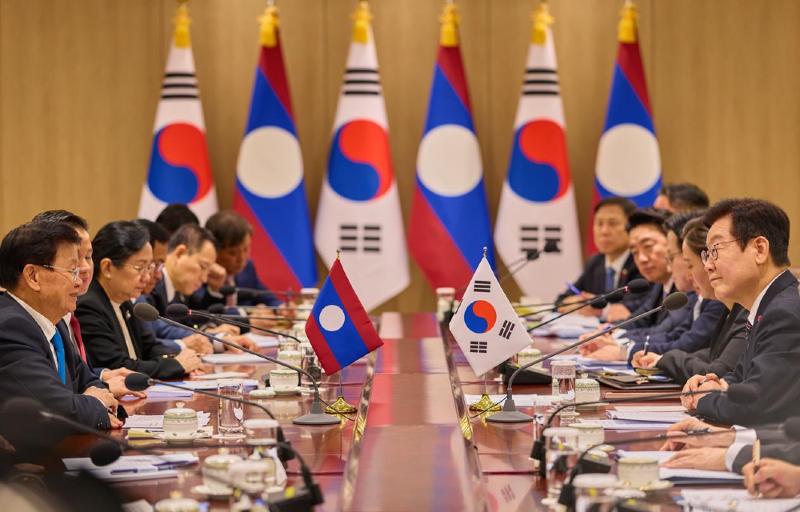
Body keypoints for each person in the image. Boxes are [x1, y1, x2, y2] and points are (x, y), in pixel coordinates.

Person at [681, 198, 800, 425]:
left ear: (760, 249)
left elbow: (755, 406)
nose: (707, 265)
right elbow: (742, 378)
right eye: (707, 254)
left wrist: (702, 399)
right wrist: (716, 384)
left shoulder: (784, 313)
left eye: (715, 250)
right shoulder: (767, 306)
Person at [0, 222, 119, 433]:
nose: (79, 281)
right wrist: (96, 404)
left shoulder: (54, 323)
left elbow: (91, 381)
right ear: (33, 276)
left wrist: (92, 399)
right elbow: (58, 411)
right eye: (72, 270)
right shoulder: (10, 328)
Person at [32, 210, 145, 399]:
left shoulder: (66, 312)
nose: (84, 268)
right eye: (74, 261)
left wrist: (102, 375)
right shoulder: (41, 317)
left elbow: (77, 374)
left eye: (88, 257)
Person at [76, 221, 204, 378]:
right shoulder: (89, 306)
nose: (147, 276)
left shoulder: (125, 301)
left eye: (149, 267)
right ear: (107, 268)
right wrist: (176, 365)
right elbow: (119, 367)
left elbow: (149, 348)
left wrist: (185, 358)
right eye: (140, 267)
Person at [633, 217, 748, 383]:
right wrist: (662, 359)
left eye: (690, 265)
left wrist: (666, 359)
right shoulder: (733, 307)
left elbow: (716, 372)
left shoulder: (750, 308)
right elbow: (714, 353)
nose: (689, 274)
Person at [142, 223, 254, 352]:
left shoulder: (182, 291)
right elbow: (161, 330)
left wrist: (212, 332)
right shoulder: (149, 287)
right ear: (180, 253)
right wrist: (215, 338)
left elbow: (200, 318)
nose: (204, 278)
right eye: (202, 267)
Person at [556, 198, 643, 314]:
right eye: (599, 223)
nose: (604, 231)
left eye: (613, 223)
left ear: (631, 227)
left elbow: (636, 307)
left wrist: (599, 307)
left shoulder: (640, 262)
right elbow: (561, 300)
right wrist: (577, 302)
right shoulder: (595, 262)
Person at [194, 210, 282, 310]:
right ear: (214, 250)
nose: (242, 258)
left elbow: (264, 296)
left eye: (246, 249)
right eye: (232, 253)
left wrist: (281, 307)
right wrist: (247, 319)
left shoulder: (248, 267)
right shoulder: (200, 274)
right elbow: (201, 312)